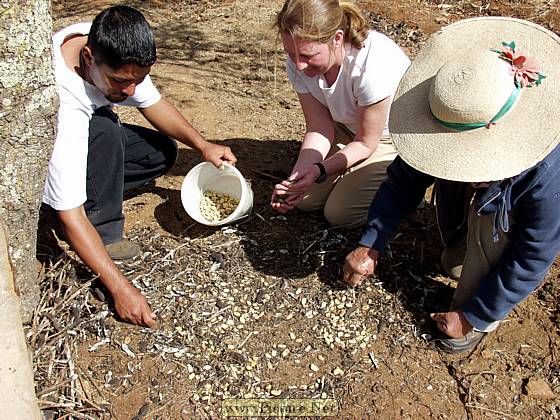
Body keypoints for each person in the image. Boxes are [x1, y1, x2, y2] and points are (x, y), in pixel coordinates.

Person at [342, 17, 560, 353]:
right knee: (453, 262)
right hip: (486, 195)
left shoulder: (547, 171)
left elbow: (533, 254)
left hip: (514, 207)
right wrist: (371, 242)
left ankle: (477, 317)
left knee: (490, 234)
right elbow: (403, 181)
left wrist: (474, 314)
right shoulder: (455, 101)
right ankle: (462, 240)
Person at [42, 6, 236, 327]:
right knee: (104, 130)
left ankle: (91, 185)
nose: (131, 91)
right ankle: (103, 231)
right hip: (57, 144)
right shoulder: (65, 103)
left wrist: (203, 145)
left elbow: (153, 103)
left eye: (138, 79)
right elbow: (69, 216)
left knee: (159, 152)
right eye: (121, 82)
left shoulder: (108, 41)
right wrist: (121, 289)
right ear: (89, 58)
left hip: (92, 130)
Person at [270, 0, 410, 228]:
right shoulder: (299, 61)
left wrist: (319, 170)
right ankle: (354, 177)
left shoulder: (370, 68)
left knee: (339, 213)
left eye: (307, 55)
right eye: (291, 53)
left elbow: (365, 143)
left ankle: (403, 189)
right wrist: (296, 179)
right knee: (305, 200)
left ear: (337, 38)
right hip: (347, 127)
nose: (299, 65)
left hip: (391, 137)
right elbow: (319, 126)